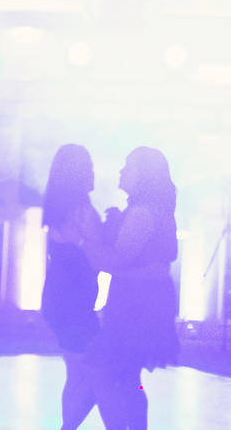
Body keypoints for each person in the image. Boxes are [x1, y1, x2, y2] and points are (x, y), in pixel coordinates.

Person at [84, 147, 180, 430]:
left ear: (144, 175)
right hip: (148, 301)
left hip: (135, 305)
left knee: (113, 375)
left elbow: (116, 259)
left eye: (128, 166)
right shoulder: (159, 211)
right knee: (129, 379)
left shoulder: (141, 213)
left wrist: (83, 243)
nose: (121, 171)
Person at [39, 144, 103, 430]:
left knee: (77, 374)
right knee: (97, 374)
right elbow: (98, 256)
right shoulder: (82, 212)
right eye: (88, 165)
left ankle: (68, 427)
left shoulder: (55, 210)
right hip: (74, 303)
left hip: (58, 299)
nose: (93, 171)